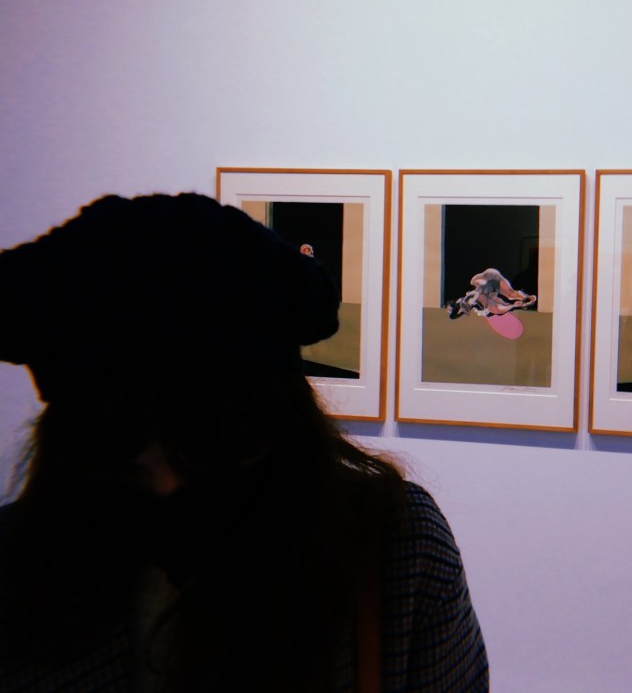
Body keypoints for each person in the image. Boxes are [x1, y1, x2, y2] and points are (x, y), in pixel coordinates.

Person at [0, 193, 488, 692]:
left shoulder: (391, 546)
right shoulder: (18, 562)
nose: (169, 493)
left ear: (272, 424)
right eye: (119, 460)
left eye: (205, 452)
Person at [448, 267, 536, 319]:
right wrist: (513, 306)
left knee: (510, 295)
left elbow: (477, 292)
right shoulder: (480, 305)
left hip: (491, 278)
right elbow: (497, 307)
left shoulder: (474, 288)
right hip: (492, 287)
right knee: (508, 297)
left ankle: (524, 298)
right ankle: (523, 300)